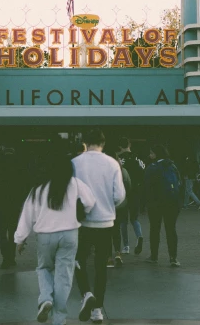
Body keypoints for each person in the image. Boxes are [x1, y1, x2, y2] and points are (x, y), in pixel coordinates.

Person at [15, 149, 96, 325]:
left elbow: (26, 216)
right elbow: (90, 201)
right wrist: (81, 212)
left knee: (44, 268)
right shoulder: (74, 183)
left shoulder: (37, 189)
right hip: (69, 235)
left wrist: (19, 240)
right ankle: (59, 320)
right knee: (64, 276)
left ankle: (45, 299)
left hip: (45, 236)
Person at [72, 128, 125, 324]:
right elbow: (119, 195)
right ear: (103, 144)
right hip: (105, 221)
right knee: (101, 265)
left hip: (82, 221)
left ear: (85, 142)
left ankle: (86, 293)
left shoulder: (75, 163)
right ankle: (97, 310)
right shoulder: (112, 163)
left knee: (78, 260)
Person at [0, 146, 29, 269]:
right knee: (12, 231)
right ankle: (11, 257)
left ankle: (5, 256)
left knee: (1, 231)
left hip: (1, 203)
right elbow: (25, 183)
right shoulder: (19, 166)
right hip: (15, 203)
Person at [144, 144, 183, 267]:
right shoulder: (172, 166)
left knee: (155, 229)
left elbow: (146, 187)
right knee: (171, 229)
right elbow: (180, 184)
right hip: (172, 203)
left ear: (156, 154)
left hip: (155, 204)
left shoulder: (152, 168)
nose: (150, 155)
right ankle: (173, 257)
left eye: (151, 153)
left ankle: (154, 256)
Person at [116, 137, 144, 255]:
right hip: (135, 192)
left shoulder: (118, 159)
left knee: (123, 221)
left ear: (120, 147)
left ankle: (126, 246)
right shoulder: (138, 158)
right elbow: (143, 172)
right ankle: (139, 236)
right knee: (134, 218)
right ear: (129, 145)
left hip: (123, 192)